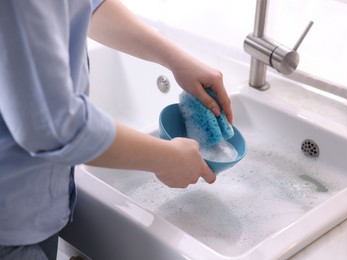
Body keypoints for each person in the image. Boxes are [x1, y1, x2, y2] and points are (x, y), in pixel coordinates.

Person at [0, 0, 233, 259]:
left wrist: (175, 59)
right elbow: (52, 125)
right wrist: (168, 158)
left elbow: (86, 5)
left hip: (29, 212)